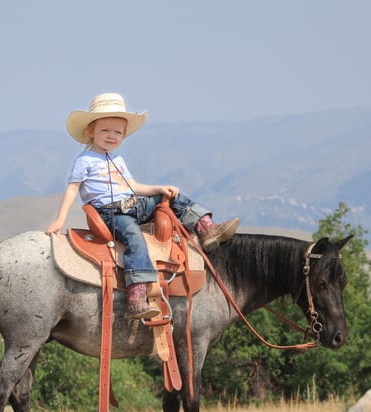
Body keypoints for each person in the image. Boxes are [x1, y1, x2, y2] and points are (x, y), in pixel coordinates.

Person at [46, 92, 239, 320]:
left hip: (133, 204)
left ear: (124, 135)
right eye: (105, 130)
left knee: (173, 197)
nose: (111, 136)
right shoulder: (84, 161)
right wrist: (60, 220)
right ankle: (136, 295)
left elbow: (134, 186)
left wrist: (160, 188)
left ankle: (206, 228)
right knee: (134, 238)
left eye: (117, 132)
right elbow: (72, 189)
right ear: (90, 131)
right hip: (112, 213)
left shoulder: (117, 160)